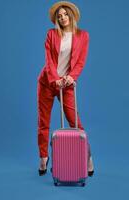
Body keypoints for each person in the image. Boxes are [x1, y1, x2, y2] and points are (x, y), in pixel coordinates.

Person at [37, 1, 94, 176]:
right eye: (59, 16)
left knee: (75, 122)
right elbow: (49, 61)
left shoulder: (83, 36)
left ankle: (88, 157)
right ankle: (43, 158)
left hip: (67, 84)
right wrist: (55, 80)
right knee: (43, 122)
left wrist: (71, 77)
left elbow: (80, 61)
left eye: (65, 14)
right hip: (47, 83)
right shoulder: (51, 34)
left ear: (71, 15)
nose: (62, 18)